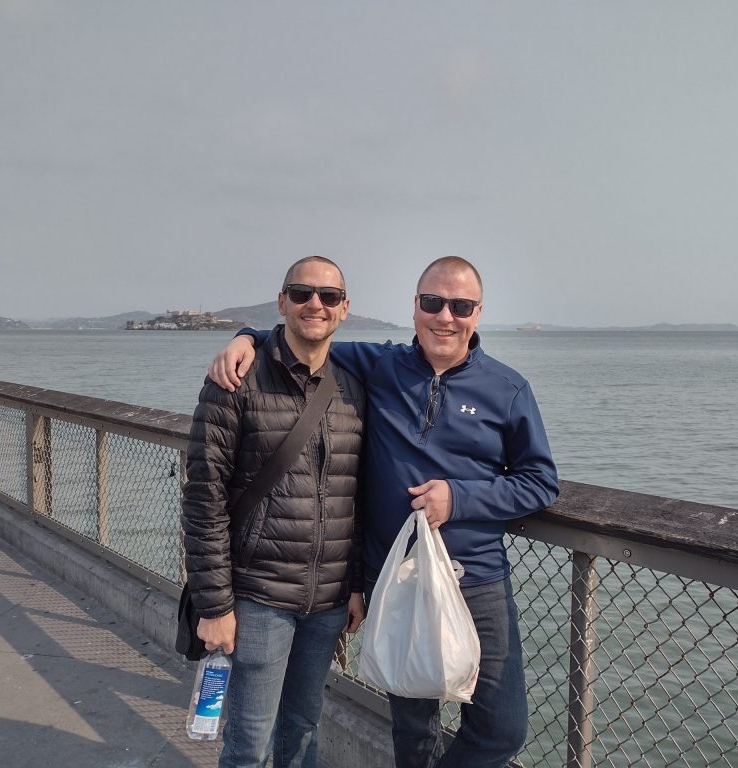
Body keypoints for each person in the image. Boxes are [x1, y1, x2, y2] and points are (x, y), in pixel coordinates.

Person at [208, 256, 559, 768]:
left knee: (502, 728)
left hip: (476, 578)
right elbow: (307, 333)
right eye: (433, 302)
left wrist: (459, 498)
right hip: (394, 578)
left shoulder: (508, 389)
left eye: (460, 306)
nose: (445, 317)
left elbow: (540, 482)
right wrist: (246, 337)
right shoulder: (379, 366)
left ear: (478, 313)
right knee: (413, 728)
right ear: (415, 307)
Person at [181, 256, 366, 768]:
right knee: (250, 742)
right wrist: (215, 606)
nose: (315, 304)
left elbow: (355, 497)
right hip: (258, 597)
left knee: (302, 730)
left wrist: (354, 583)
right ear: (282, 302)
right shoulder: (235, 380)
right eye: (302, 293)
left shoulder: (354, 388)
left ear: (344, 308)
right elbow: (203, 499)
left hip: (327, 601)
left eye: (329, 296)